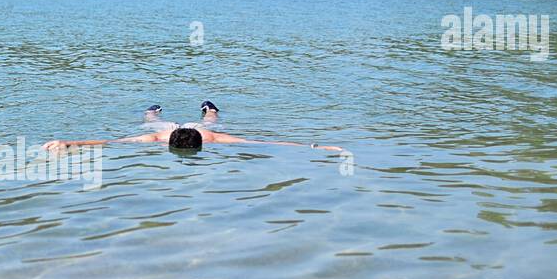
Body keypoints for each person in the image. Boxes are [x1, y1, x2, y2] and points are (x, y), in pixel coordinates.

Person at [42, 125, 342, 152]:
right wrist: (313, 148)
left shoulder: (158, 140)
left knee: (209, 117)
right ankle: (152, 111)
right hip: (172, 126)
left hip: (198, 126)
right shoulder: (212, 140)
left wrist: (73, 143)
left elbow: (114, 143)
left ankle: (209, 109)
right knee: (156, 118)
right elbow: (262, 143)